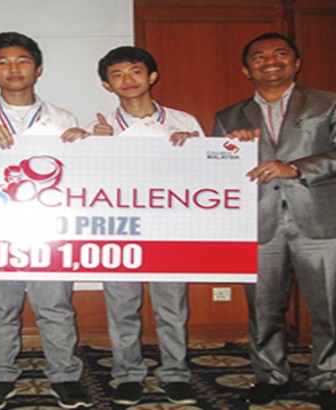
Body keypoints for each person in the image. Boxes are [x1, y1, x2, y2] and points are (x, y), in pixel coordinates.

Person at [211, 32, 336, 410]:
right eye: (259, 56)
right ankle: (271, 376)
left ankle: (332, 379)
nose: (270, 60)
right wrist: (232, 150)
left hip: (323, 220)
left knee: (330, 307)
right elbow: (219, 176)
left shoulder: (330, 102)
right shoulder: (229, 116)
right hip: (257, 223)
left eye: (280, 53)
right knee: (263, 308)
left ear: (296, 62)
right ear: (245, 68)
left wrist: (296, 169)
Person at [0, 32, 91, 410]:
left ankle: (65, 375)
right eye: (3, 62)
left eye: (22, 61)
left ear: (38, 68)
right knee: (1, 306)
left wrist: (84, 144)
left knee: (56, 305)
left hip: (50, 227)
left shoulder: (62, 117)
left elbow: (76, 174)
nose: (13, 69)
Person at [75, 46, 203, 406]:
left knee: (173, 307)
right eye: (117, 74)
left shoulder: (184, 122)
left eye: (134, 71)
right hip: (119, 229)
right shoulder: (97, 128)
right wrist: (95, 147)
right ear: (106, 84)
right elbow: (84, 186)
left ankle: (175, 374)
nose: (127, 80)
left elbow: (205, 177)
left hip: (170, 229)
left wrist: (196, 150)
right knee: (122, 306)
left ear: (151, 76)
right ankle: (128, 374)